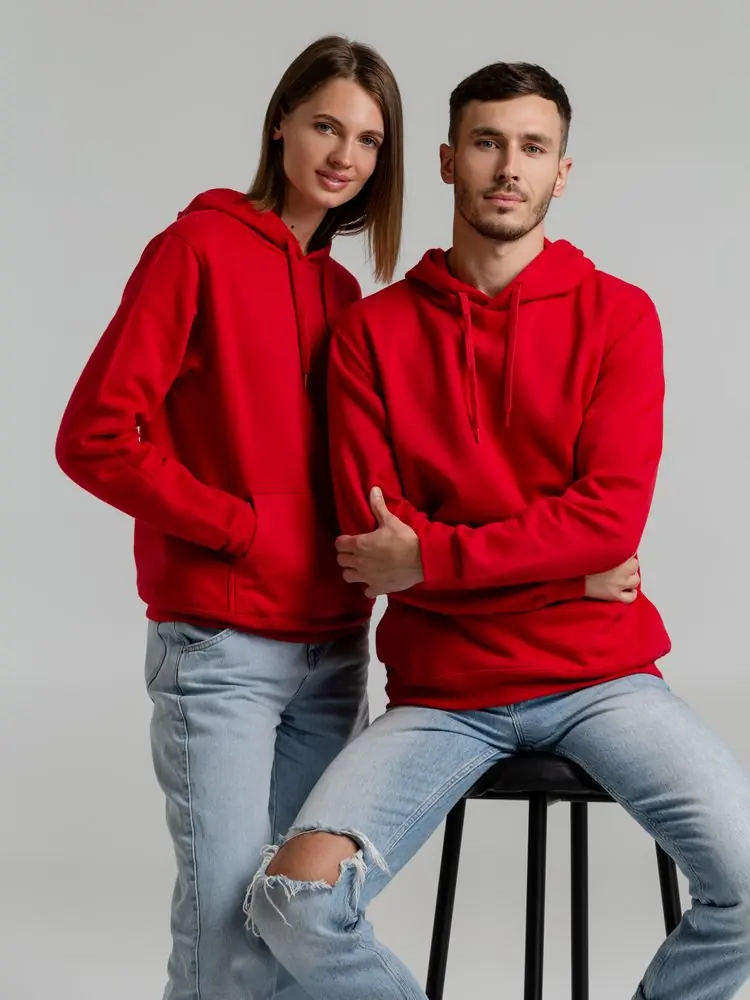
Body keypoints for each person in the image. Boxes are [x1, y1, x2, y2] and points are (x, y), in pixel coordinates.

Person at [246, 62, 750, 1000]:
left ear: (562, 171)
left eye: (532, 147)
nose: (508, 167)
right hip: (442, 694)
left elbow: (607, 521)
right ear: (447, 161)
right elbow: (374, 545)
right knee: (292, 901)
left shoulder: (619, 316)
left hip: (603, 680)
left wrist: (435, 560)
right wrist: (568, 574)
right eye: (487, 143)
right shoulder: (373, 333)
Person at [55, 34, 404, 1000]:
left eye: (369, 140)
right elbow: (94, 436)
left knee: (296, 925)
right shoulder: (196, 249)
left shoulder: (341, 292)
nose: (344, 155)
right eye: (327, 125)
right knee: (225, 935)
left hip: (333, 652)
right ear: (280, 123)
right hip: (222, 648)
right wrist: (241, 529)